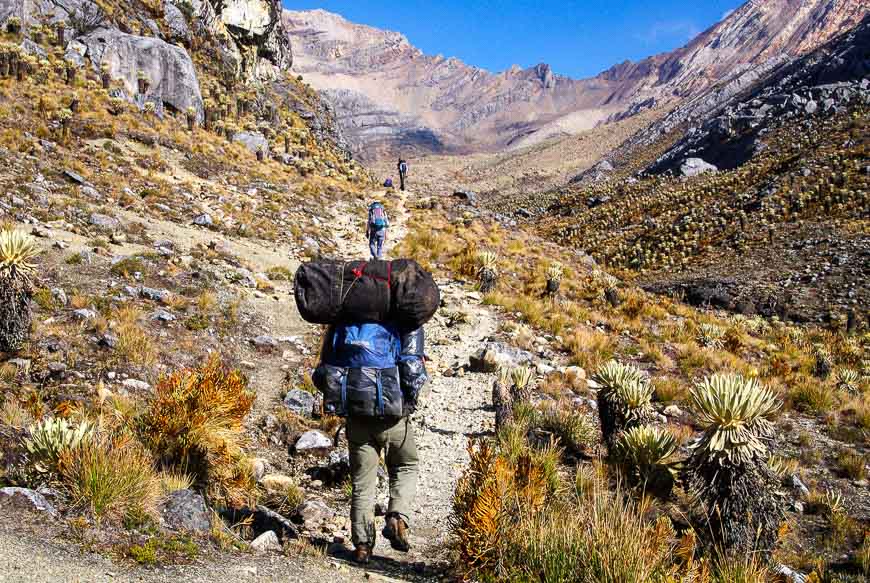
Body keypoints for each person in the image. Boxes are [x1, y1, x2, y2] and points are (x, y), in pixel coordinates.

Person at [313, 324, 428, 564]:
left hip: (357, 416)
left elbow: (321, 374)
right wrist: (408, 401)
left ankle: (363, 547)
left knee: (362, 482)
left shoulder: (342, 320)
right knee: (405, 465)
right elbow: (413, 368)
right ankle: (397, 517)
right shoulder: (401, 317)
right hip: (393, 416)